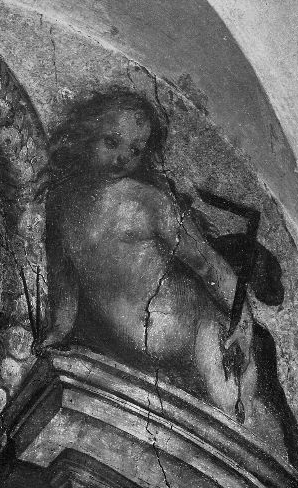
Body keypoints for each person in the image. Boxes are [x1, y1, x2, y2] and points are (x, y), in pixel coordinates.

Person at [42, 88, 283, 445]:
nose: (122, 157)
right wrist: (58, 331)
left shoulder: (150, 202)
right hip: (136, 357)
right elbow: (65, 278)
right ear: (85, 134)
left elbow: (210, 267)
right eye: (111, 142)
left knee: (236, 418)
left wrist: (242, 322)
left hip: (202, 331)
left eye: (135, 151)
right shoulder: (63, 206)